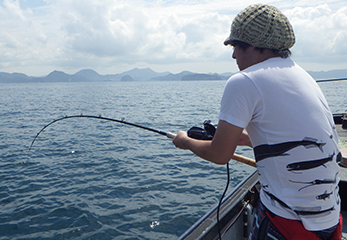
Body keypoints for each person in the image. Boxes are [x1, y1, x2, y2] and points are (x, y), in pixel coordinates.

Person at [173, 4, 342, 240]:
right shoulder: (302, 75)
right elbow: (290, 139)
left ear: (253, 46)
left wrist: (185, 141)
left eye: (235, 46)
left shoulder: (243, 81)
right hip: (330, 220)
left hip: (288, 223)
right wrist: (242, 139)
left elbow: (219, 155)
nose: (233, 55)